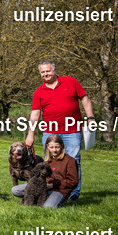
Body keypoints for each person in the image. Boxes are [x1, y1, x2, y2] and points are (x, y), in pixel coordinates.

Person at [23, 61, 94, 202]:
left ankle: (73, 193)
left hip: (72, 131)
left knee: (74, 161)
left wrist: (90, 117)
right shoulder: (39, 92)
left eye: (48, 71)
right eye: (42, 72)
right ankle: (50, 190)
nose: (45, 74)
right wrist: (30, 134)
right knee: (49, 163)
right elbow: (35, 114)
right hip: (50, 132)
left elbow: (85, 99)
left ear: (55, 70)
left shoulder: (70, 82)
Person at [10, 134, 78, 208]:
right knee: (15, 190)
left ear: (62, 146)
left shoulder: (70, 161)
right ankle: (34, 199)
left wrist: (53, 185)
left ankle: (60, 200)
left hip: (59, 190)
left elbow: (73, 182)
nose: (54, 150)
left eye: (57, 147)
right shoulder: (47, 161)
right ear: (47, 147)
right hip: (43, 187)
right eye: (51, 147)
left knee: (48, 207)